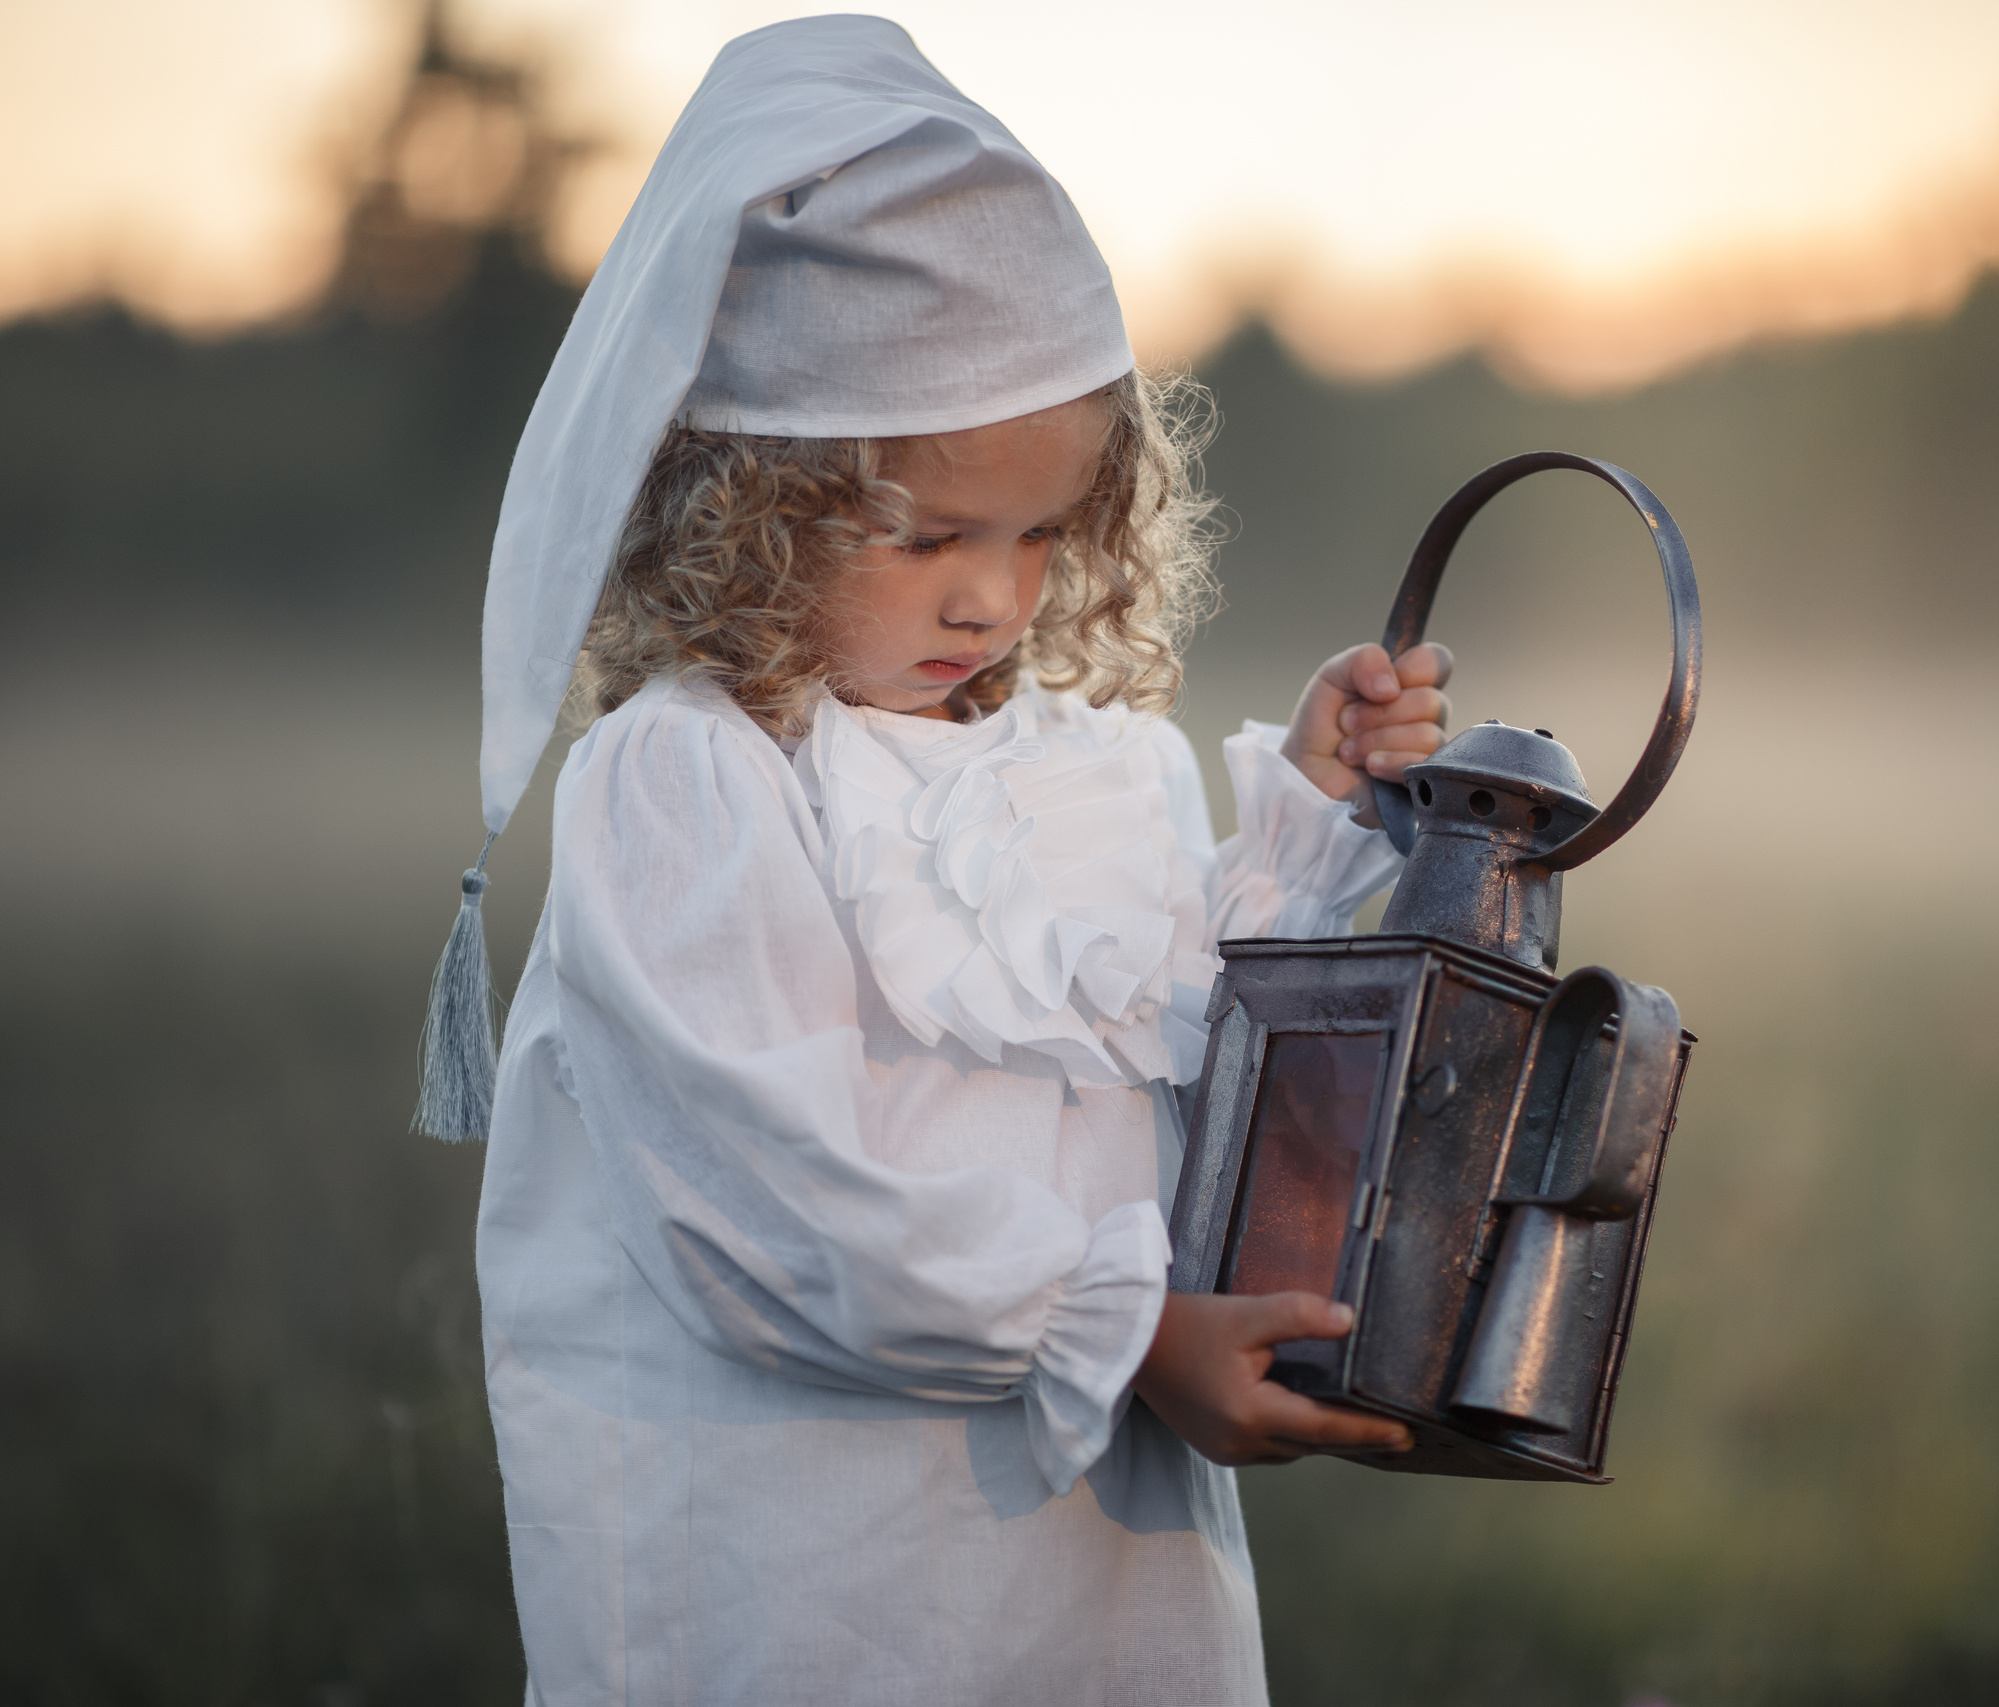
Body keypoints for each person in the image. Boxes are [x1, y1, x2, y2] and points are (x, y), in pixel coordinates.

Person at [448, 17, 1450, 1704]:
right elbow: (767, 1197)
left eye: (1042, 531)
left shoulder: (1087, 764)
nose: (991, 596)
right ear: (746, 508)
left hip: (1090, 1559)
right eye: (923, 538)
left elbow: (1190, 1056)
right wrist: (1123, 1335)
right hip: (805, 1557)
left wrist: (1307, 810)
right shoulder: (695, 780)